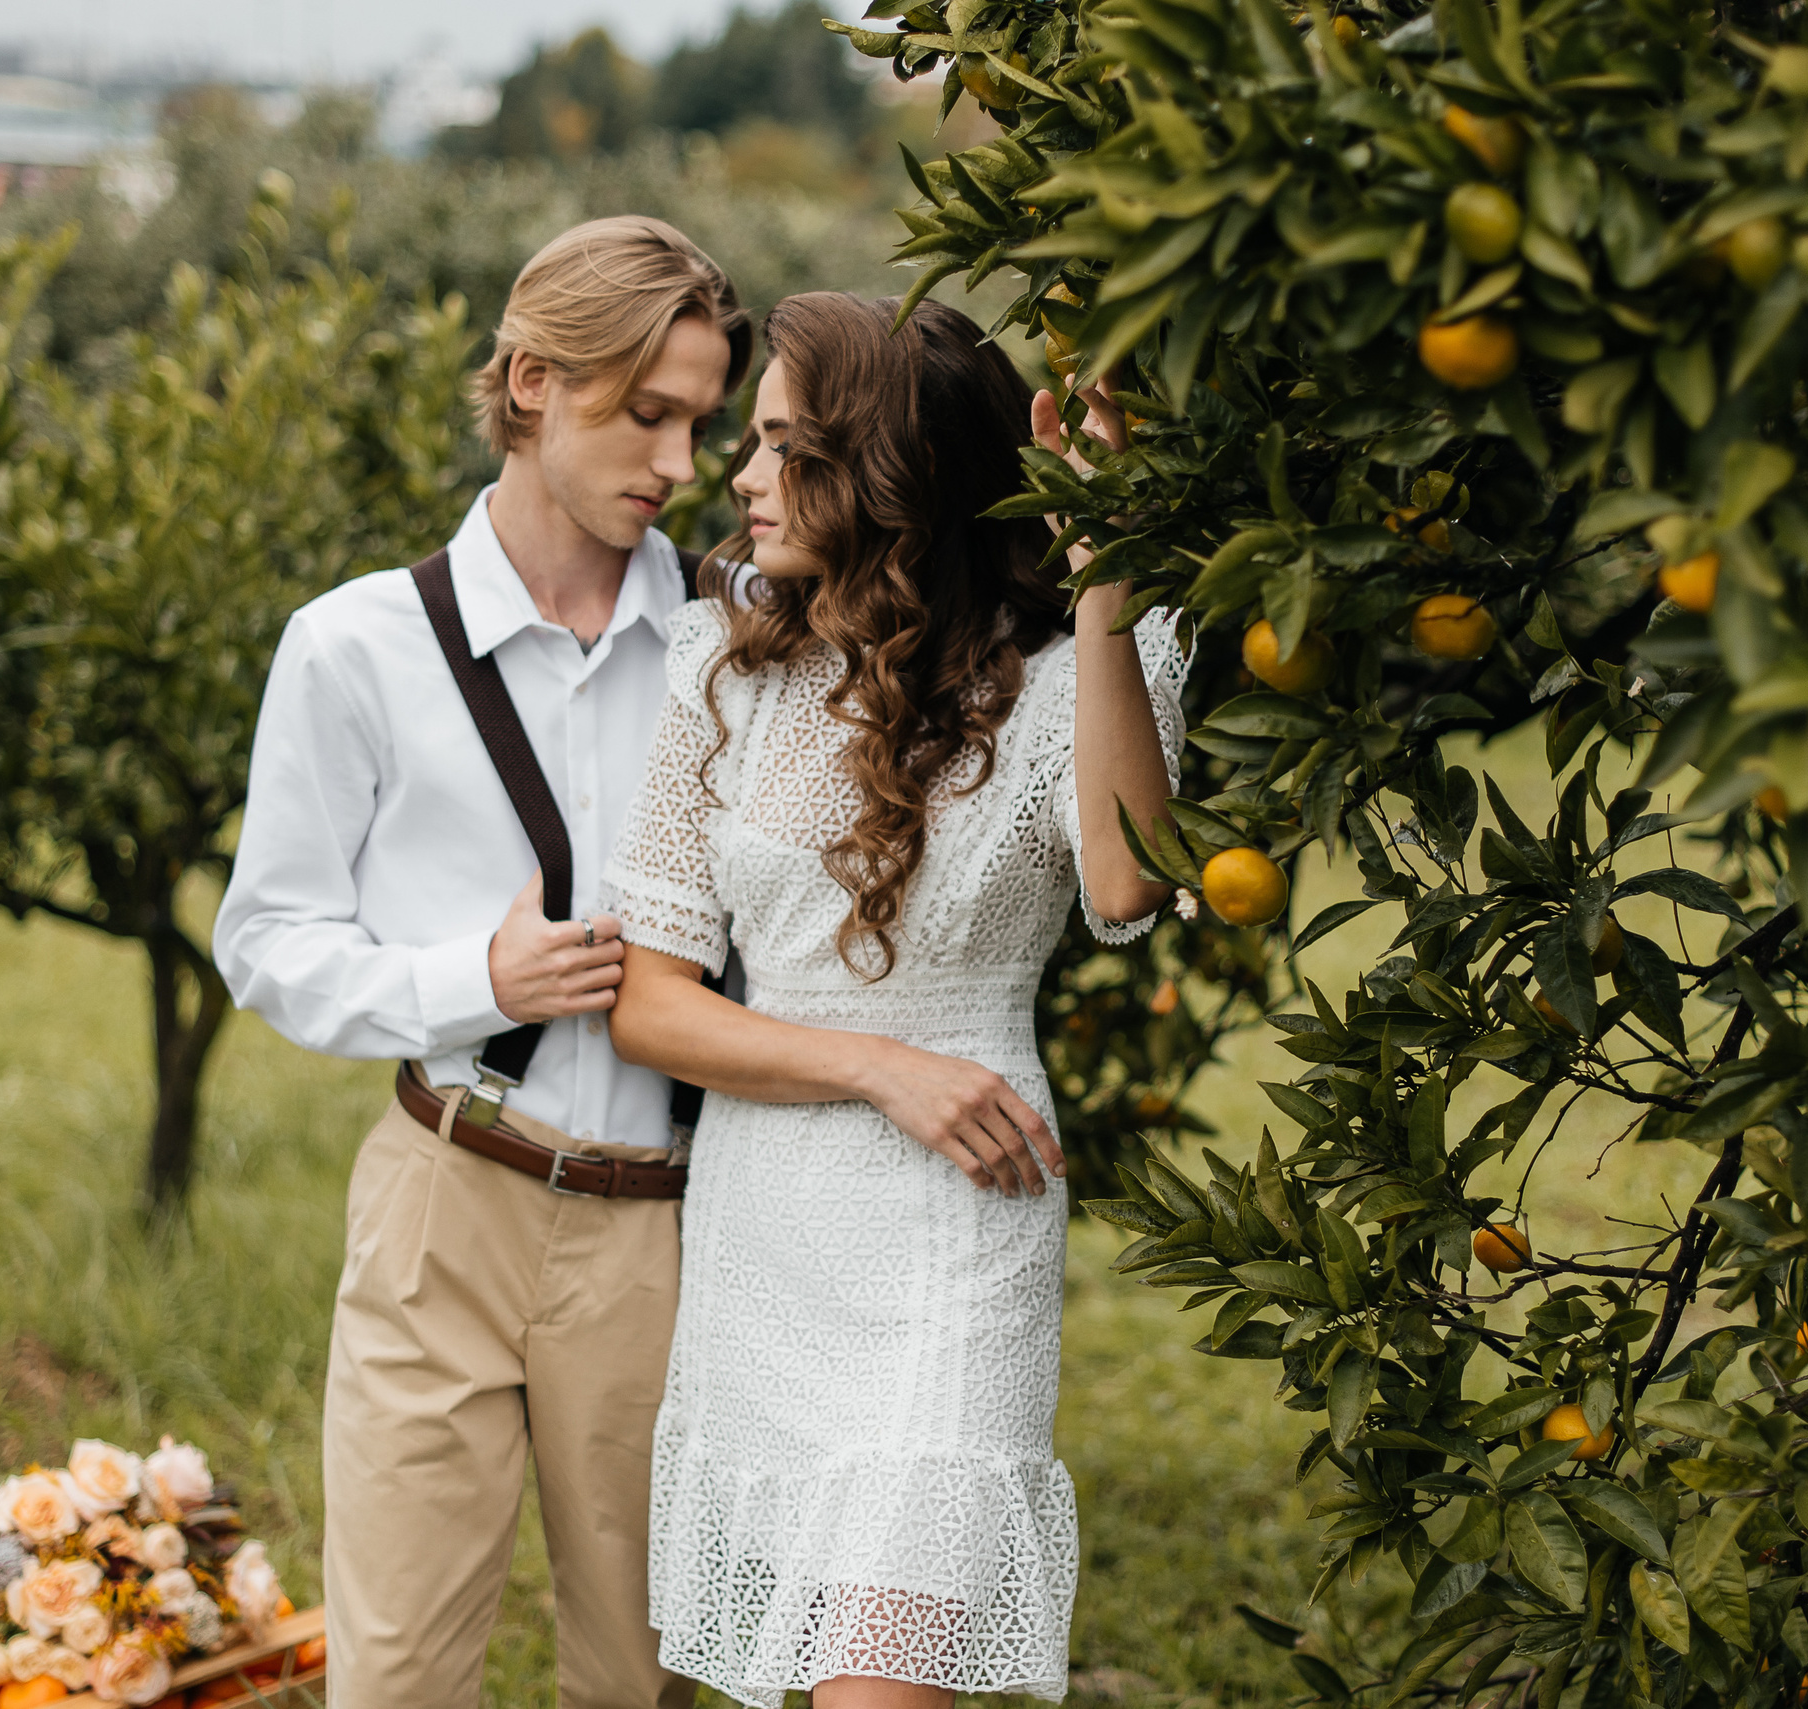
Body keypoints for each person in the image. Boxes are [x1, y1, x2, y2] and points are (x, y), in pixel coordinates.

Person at [602, 291, 1187, 1709]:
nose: (740, 477)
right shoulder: (726, 675)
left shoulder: (1080, 673)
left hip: (951, 1237)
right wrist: (878, 1067)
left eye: (785, 445)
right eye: (749, 442)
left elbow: (1123, 882)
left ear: (891, 470)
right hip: (770, 1224)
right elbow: (654, 1007)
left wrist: (1108, 575)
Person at [210, 215, 748, 1709]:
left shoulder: (735, 636)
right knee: (396, 1674)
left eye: (700, 419)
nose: (681, 461)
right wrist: (474, 986)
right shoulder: (354, 647)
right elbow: (265, 940)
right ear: (530, 382)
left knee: (639, 1675)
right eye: (646, 413)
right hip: (443, 1194)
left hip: (667, 1228)